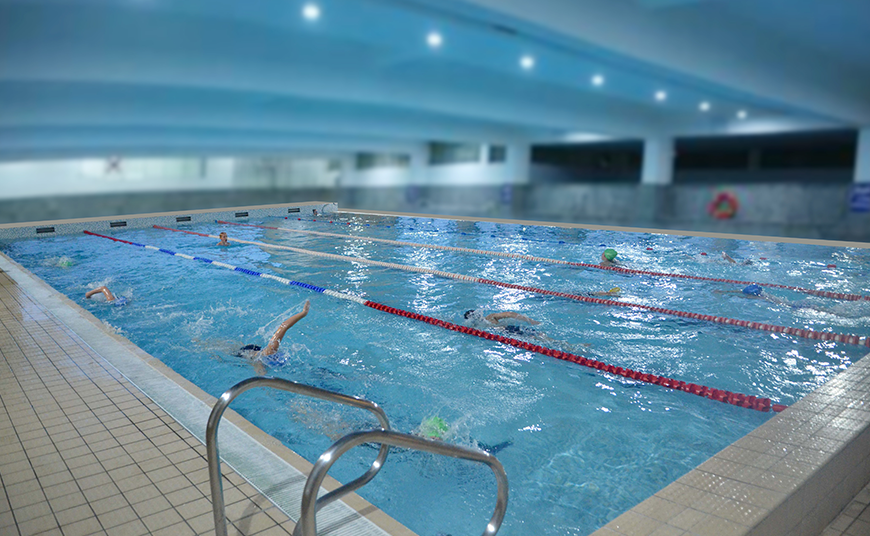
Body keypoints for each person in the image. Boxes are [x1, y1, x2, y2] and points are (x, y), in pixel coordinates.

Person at [237, 300, 310, 359]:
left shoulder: (269, 351)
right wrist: (303, 313)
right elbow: (283, 326)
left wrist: (303, 314)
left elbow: (283, 326)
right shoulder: (267, 353)